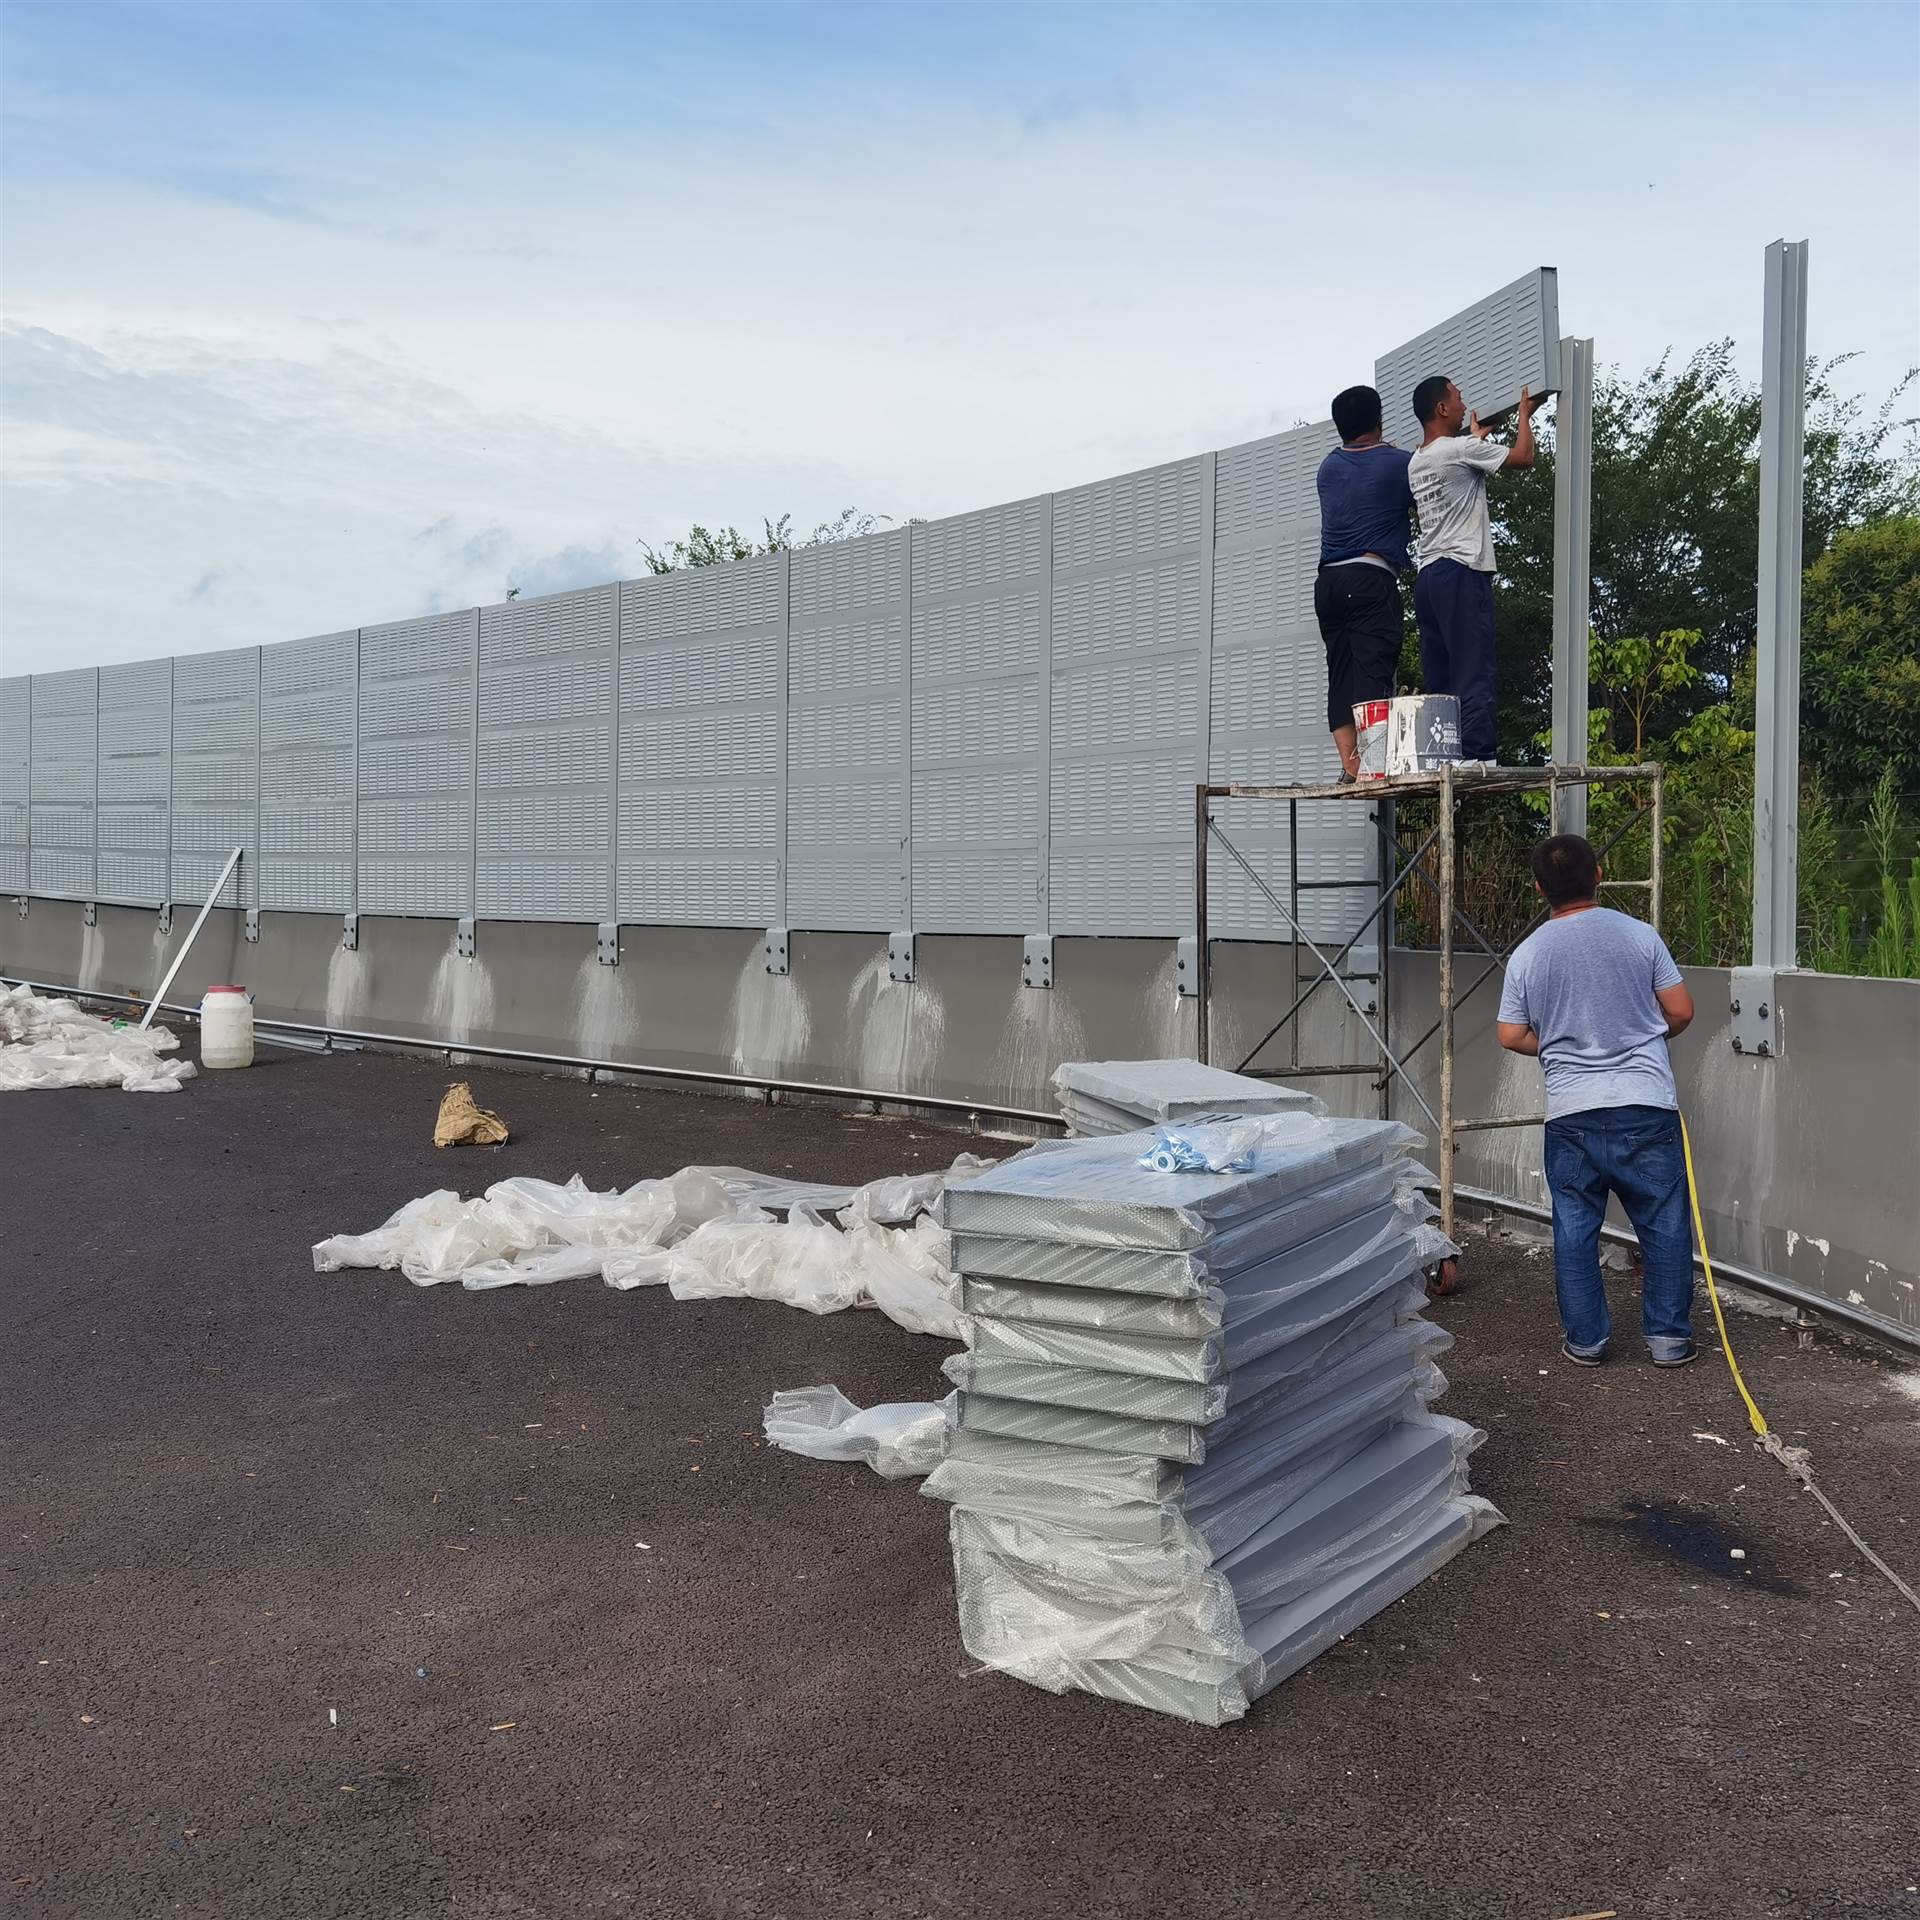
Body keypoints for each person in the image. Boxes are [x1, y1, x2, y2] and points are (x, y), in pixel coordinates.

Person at [1496, 834, 1698, 1368]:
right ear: (1600, 874)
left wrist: (1561, 1045)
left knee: (1575, 1227)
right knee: (1666, 1223)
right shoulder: (1640, 937)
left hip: (1571, 1112)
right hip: (1645, 1104)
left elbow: (1510, 1034)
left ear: (1540, 888)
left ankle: (1586, 1341)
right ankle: (1669, 1340)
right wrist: (1643, 1038)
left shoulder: (1529, 953)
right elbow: (1680, 1011)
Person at [1407, 375, 1536, 764]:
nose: (1464, 404)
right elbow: (1523, 457)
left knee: (1442, 678)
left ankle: (1443, 756)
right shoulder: (1459, 449)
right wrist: (1525, 416)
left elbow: (1456, 471)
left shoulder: (1417, 460)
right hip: (1462, 570)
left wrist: (1475, 440)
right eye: (1458, 398)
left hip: (1428, 577)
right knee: (1474, 668)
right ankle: (1479, 758)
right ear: (1442, 409)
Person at [1314, 385, 1414, 779]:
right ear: (1379, 420)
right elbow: (1428, 473)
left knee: (1341, 670)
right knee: (1373, 667)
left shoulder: (1328, 467)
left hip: (1328, 583)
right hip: (1370, 577)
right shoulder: (1395, 463)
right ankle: (1373, 766)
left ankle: (1350, 765)